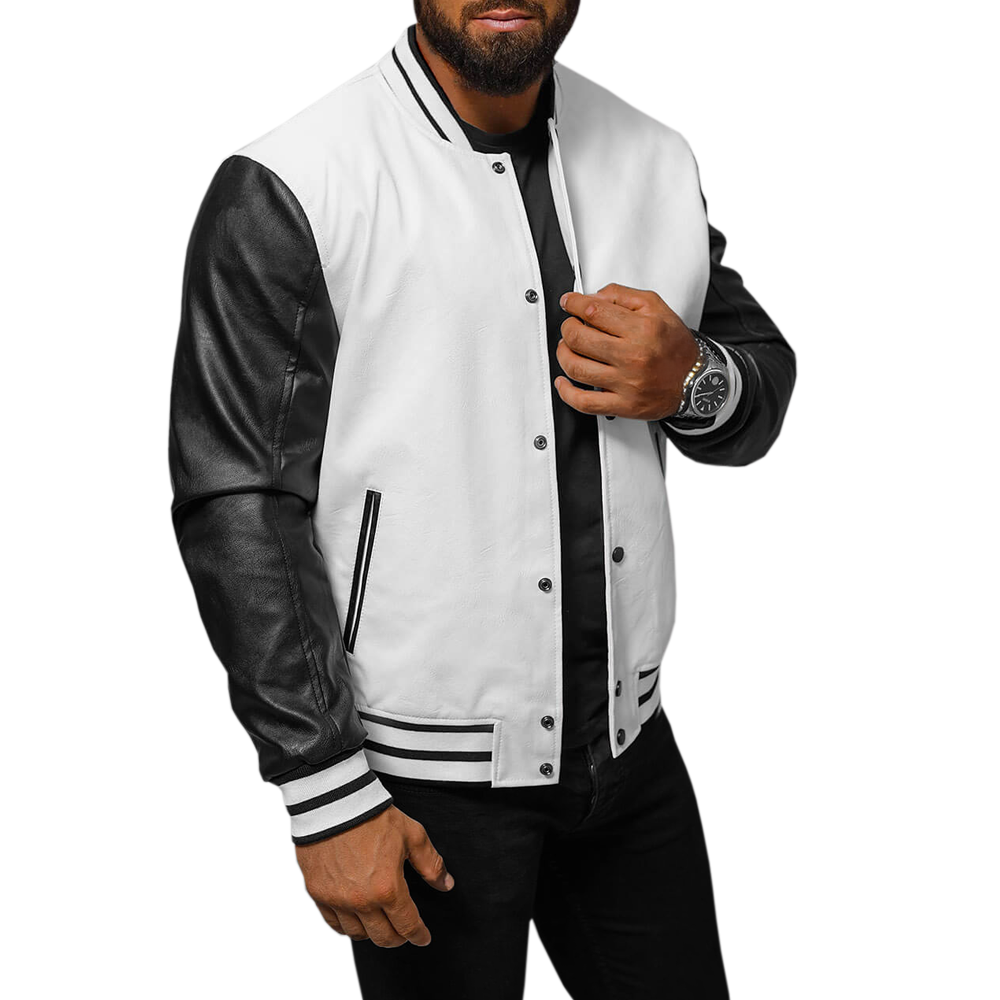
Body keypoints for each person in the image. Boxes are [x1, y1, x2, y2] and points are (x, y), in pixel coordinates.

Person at [167, 2, 797, 997]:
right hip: (419, 776)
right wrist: (324, 787)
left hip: (628, 744)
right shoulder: (296, 182)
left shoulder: (654, 156)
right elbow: (238, 498)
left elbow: (756, 382)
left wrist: (691, 380)